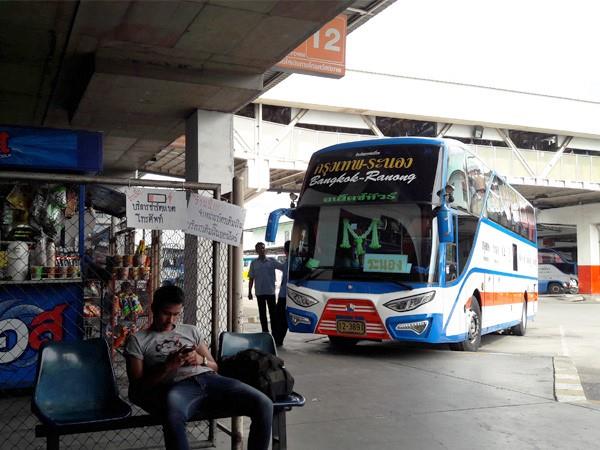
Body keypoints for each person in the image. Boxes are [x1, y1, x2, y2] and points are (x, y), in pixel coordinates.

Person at [124, 285, 273, 450]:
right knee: (172, 414)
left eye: (176, 315)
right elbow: (137, 387)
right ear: (154, 309)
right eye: (166, 313)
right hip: (179, 387)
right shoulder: (138, 340)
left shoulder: (190, 331)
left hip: (210, 379)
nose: (170, 320)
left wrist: (200, 359)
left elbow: (215, 366)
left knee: (264, 403)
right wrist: (168, 366)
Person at [248, 242, 284, 334]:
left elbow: (283, 267)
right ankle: (265, 332)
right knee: (262, 313)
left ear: (265, 249)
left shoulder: (272, 261)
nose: (262, 250)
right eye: (260, 248)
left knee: (273, 314)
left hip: (270, 292)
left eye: (263, 248)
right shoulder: (254, 263)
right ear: (256, 251)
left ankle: (274, 332)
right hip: (259, 292)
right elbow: (251, 278)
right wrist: (249, 292)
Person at [272, 241, 290, 347]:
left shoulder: (293, 261)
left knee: (280, 318)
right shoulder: (289, 261)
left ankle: (278, 339)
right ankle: (278, 339)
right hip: (285, 294)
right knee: (281, 318)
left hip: (285, 295)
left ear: (285, 250)